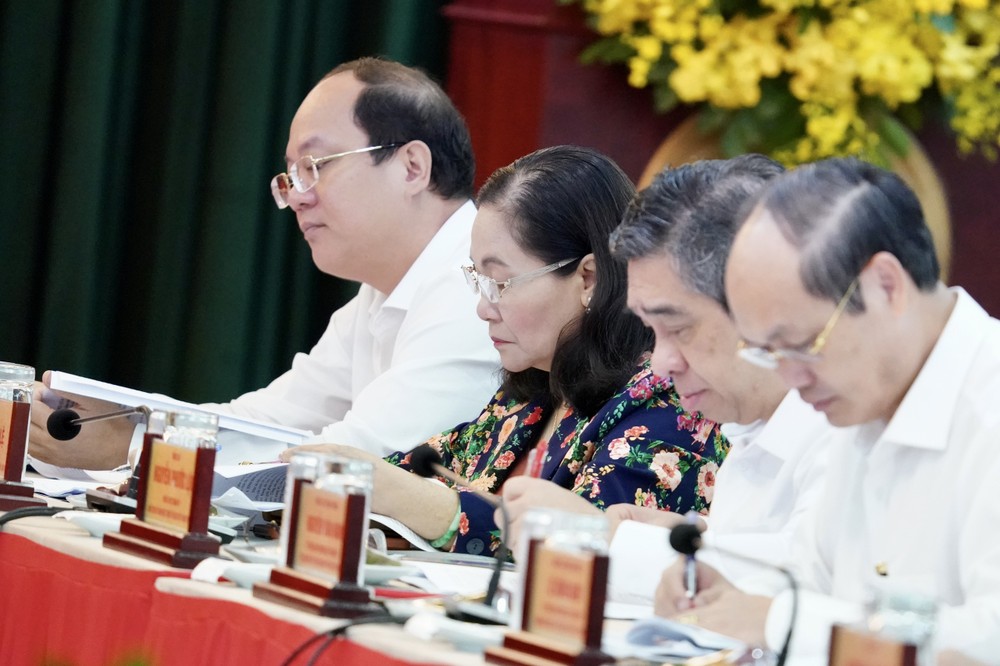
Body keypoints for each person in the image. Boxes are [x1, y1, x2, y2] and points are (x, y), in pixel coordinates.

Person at [28, 57, 499, 473]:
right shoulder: (380, 292)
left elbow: (351, 462)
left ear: (412, 167)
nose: (297, 196)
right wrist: (120, 418)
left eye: (315, 165)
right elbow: (267, 422)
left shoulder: (476, 286)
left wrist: (133, 451)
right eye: (291, 175)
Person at [284, 146, 730, 555]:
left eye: (499, 282)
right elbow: (415, 472)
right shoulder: (530, 393)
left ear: (588, 278)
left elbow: (588, 552)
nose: (482, 308)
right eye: (477, 280)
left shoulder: (669, 409)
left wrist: (414, 501)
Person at [656, 158, 1000, 663]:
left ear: (886, 285)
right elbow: (812, 578)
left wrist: (777, 619)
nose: (790, 378)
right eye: (765, 353)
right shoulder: (862, 400)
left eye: (799, 344)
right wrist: (734, 589)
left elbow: (988, 639)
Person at [501, 155, 833, 605]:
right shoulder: (749, 419)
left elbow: (814, 592)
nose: (660, 364)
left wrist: (606, 539)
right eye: (653, 332)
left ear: (765, 304)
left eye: (678, 329)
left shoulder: (843, 423)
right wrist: (690, 537)